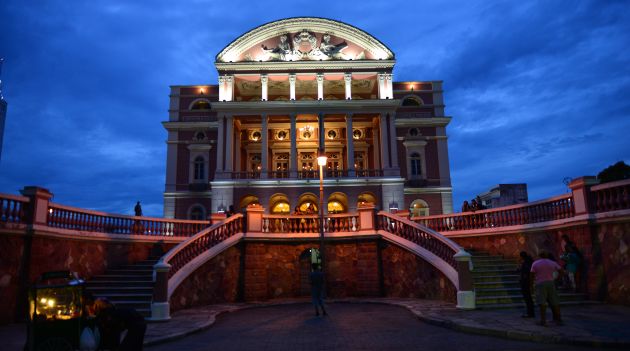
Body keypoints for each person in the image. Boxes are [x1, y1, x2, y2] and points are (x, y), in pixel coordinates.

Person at [530, 251, 564, 326]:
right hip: (551, 282)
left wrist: (531, 286)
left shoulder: (535, 263)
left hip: (540, 283)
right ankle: (558, 320)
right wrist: (557, 279)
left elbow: (531, 276)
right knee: (554, 302)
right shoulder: (552, 262)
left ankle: (543, 320)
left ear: (539, 255)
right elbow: (561, 271)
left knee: (542, 302)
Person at [517, 251, 535, 318]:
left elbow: (526, 272)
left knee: (527, 298)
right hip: (527, 281)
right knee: (528, 298)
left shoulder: (526, 263)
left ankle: (530, 313)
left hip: (525, 282)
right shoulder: (529, 261)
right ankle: (530, 312)